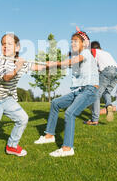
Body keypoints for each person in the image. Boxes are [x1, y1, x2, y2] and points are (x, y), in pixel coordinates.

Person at [0, 33, 46, 172]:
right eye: (3, 44)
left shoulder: (20, 62)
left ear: (17, 47)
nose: (6, 46)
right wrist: (18, 66)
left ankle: (12, 146)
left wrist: (58, 64)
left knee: (23, 118)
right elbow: (7, 77)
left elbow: (39, 67)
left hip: (7, 99)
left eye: (9, 44)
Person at [34, 28, 99, 157]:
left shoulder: (86, 53)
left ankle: (67, 148)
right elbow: (67, 64)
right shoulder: (78, 57)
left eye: (76, 41)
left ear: (84, 43)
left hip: (89, 90)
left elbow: (70, 62)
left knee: (69, 113)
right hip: (80, 90)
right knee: (56, 103)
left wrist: (53, 64)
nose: (72, 44)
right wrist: (50, 65)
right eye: (71, 42)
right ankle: (49, 135)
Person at [84, 41, 117, 125]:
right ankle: (108, 105)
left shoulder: (94, 51)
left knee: (96, 94)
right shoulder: (107, 53)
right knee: (106, 92)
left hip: (107, 70)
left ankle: (94, 120)